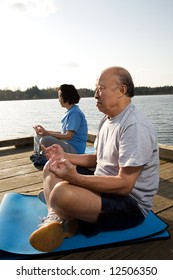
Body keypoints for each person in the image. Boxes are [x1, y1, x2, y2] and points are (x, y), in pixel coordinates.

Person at [29, 66, 160, 252]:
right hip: (103, 186)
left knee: (60, 193)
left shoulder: (134, 125)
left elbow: (125, 185)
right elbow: (97, 158)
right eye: (95, 89)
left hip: (129, 203)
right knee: (51, 166)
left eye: (100, 88)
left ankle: (64, 211)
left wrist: (76, 179)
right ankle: (57, 217)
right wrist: (64, 156)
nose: (95, 94)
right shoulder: (107, 120)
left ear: (121, 90)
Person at [30, 84, 88, 165]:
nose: (59, 100)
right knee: (38, 136)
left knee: (45, 139)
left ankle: (42, 157)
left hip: (75, 150)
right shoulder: (70, 112)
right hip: (67, 145)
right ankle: (38, 155)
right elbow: (63, 134)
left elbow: (68, 136)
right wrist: (44, 132)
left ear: (66, 97)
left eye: (60, 97)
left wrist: (47, 133)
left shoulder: (75, 113)